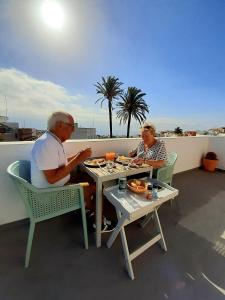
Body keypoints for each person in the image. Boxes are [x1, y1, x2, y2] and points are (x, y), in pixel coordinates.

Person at [30, 111, 94, 210]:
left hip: (58, 187)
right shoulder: (47, 144)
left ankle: (86, 208)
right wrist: (78, 159)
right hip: (51, 196)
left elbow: (59, 163)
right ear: (60, 125)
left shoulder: (52, 140)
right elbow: (52, 179)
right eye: (72, 126)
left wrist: (78, 155)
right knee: (95, 186)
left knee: (88, 177)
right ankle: (96, 218)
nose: (73, 130)